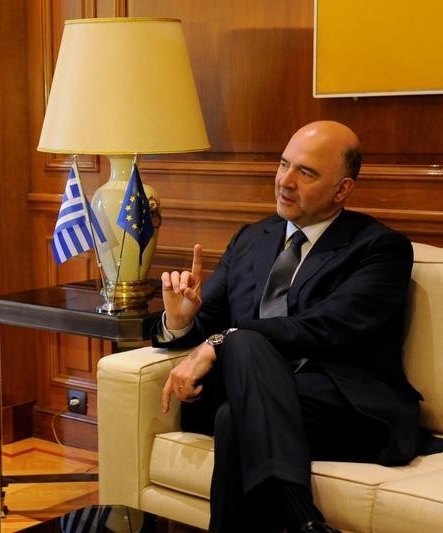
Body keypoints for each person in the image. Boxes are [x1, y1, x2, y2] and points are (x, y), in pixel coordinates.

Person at [156, 121, 422, 533]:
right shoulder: (251, 238)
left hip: (340, 406)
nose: (285, 181)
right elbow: (208, 323)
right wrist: (180, 319)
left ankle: (297, 514)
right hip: (254, 390)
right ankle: (304, 521)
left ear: (343, 189)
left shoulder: (379, 248)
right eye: (284, 164)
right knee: (237, 374)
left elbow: (324, 328)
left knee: (233, 417)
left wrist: (222, 341)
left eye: (306, 173)